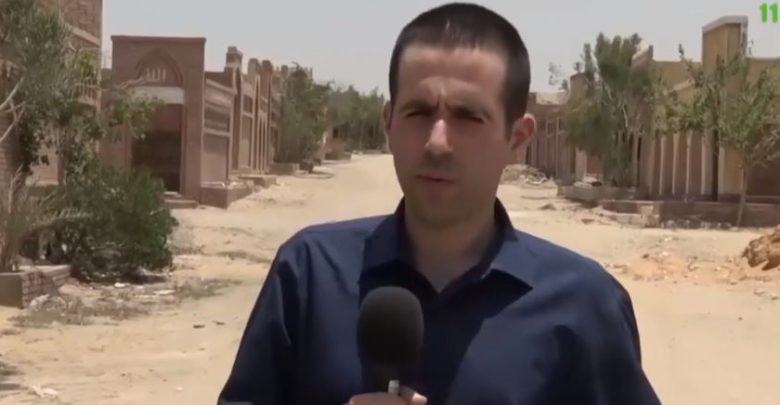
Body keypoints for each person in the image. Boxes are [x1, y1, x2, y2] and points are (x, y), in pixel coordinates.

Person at [217, 2, 662, 405]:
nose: (437, 142)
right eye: (419, 112)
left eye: (468, 116)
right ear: (389, 124)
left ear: (517, 137)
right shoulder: (309, 275)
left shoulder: (584, 304)